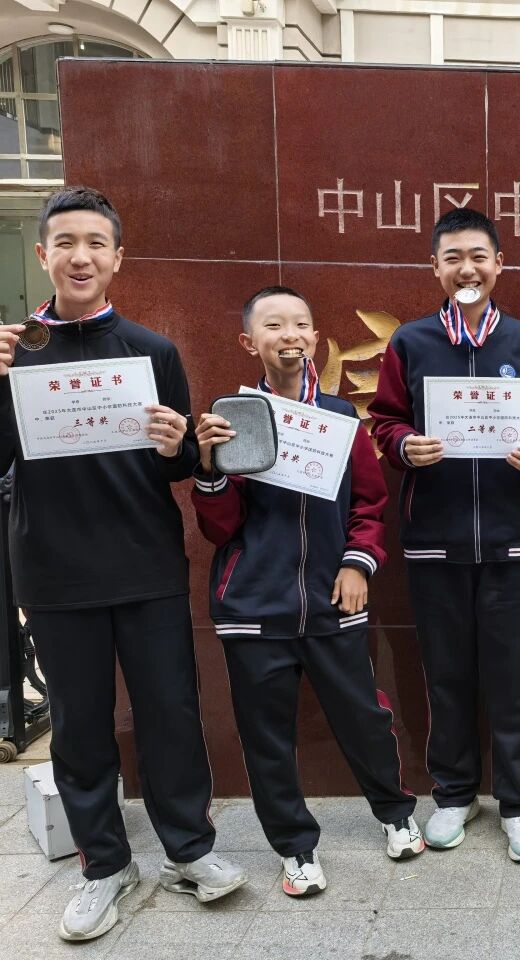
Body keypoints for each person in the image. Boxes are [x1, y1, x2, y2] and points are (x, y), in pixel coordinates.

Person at [0, 186, 246, 941]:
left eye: (95, 244)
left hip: (145, 564)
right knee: (78, 726)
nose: (81, 256)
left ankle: (188, 849)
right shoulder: (13, 353)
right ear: (43, 255)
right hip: (54, 569)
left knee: (170, 712)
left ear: (117, 258)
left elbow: (176, 466)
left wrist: (178, 444)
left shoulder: (152, 350)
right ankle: (104, 864)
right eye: (65, 243)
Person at [191, 285, 424, 897]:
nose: (289, 335)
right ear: (250, 342)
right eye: (273, 325)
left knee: (364, 718)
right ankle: (295, 848)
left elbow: (369, 503)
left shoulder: (341, 419)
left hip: (332, 601)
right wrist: (210, 468)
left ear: (316, 338)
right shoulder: (235, 418)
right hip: (252, 608)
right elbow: (219, 527)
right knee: (266, 738)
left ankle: (396, 814)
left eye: (300, 324)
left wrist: (357, 565)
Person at [368, 208, 520, 862]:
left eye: (479, 256)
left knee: (516, 681)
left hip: (516, 541)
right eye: (453, 257)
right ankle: (454, 794)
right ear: (435, 267)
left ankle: (519, 804)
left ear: (499, 264)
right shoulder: (411, 342)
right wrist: (403, 446)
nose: (467, 268)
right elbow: (385, 419)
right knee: (445, 676)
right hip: (436, 541)